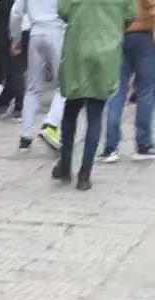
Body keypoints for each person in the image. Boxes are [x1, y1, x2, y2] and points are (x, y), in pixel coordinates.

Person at [53, 0, 134, 182]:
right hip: (107, 51)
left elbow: (63, 10)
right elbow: (130, 15)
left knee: (71, 110)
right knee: (95, 115)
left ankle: (65, 164)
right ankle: (85, 174)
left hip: (78, 48)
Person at [102, 0, 155, 156]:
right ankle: (143, 143)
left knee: (117, 92)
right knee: (146, 91)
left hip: (118, 36)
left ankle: (111, 146)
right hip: (143, 38)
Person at [11, 0, 67, 144]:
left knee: (32, 88)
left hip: (35, 32)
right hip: (57, 31)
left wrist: (16, 37)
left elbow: (16, 13)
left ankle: (26, 135)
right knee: (64, 86)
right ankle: (50, 124)